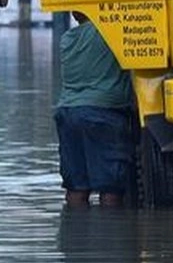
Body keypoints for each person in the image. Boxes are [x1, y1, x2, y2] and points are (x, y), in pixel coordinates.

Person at [53, 15, 133, 207]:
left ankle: (76, 233)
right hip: (103, 112)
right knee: (111, 188)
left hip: (68, 112)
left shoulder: (67, 39)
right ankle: (111, 231)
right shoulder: (110, 31)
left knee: (76, 187)